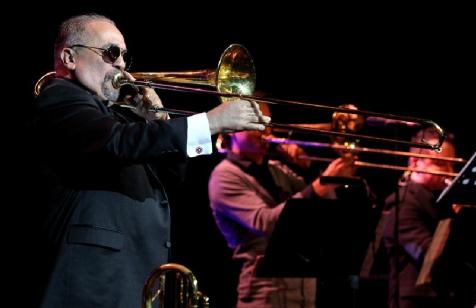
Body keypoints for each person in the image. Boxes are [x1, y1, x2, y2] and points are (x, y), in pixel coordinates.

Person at [31, 13, 269, 308]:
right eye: (110, 52)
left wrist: (157, 118)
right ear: (69, 57)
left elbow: (172, 177)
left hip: (130, 278)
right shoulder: (59, 97)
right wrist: (208, 124)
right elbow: (116, 143)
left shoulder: (117, 117)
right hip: (91, 284)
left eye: (124, 56)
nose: (120, 64)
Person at [208, 103, 357, 308]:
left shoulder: (277, 169)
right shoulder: (225, 176)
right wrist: (319, 186)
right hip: (265, 294)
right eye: (255, 123)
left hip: (305, 291)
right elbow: (266, 222)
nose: (265, 130)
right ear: (231, 129)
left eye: (267, 123)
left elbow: (322, 210)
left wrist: (310, 167)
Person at [382, 128, 458, 308]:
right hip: (416, 301)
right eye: (440, 163)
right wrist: (456, 218)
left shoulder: (436, 200)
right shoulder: (402, 202)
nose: (449, 172)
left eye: (452, 165)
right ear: (415, 163)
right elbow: (429, 256)